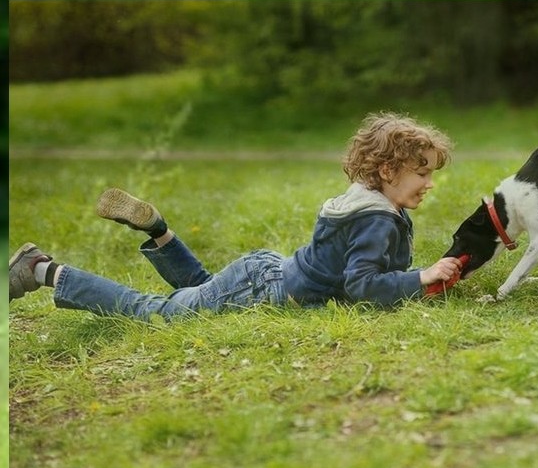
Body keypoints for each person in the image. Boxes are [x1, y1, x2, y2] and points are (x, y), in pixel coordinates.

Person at [9, 112, 463, 321]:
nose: (428, 182)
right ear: (387, 171)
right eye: (420, 173)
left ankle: (159, 232)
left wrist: (416, 282)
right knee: (157, 312)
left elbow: (365, 273)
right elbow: (362, 285)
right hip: (266, 286)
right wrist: (420, 278)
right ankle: (41, 270)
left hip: (266, 272)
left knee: (201, 290)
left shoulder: (369, 201)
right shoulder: (376, 219)